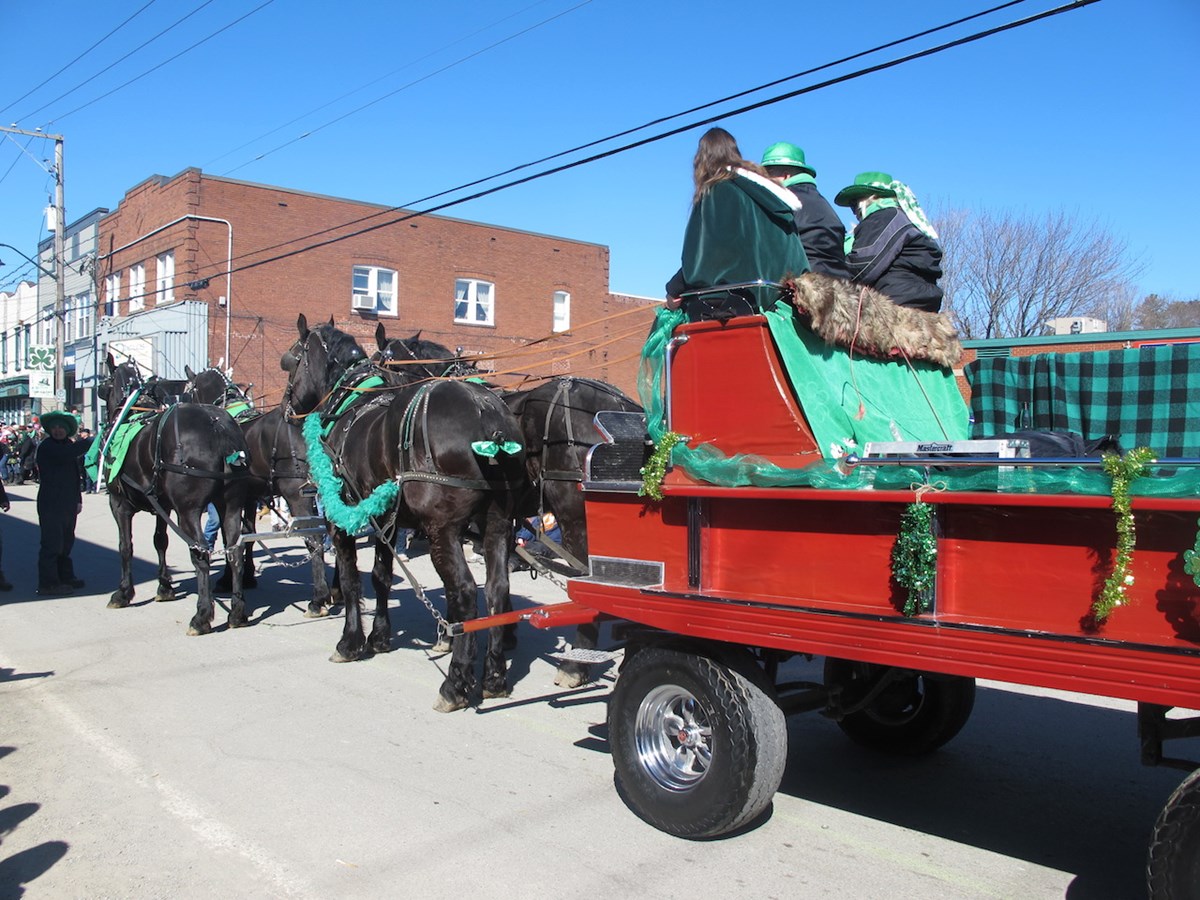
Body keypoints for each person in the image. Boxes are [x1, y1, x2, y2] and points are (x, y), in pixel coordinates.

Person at [665, 127, 809, 313]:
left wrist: (673, 289)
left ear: (701, 161)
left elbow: (703, 256)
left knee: (662, 330)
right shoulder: (767, 194)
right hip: (780, 304)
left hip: (735, 304)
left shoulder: (717, 190)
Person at [833, 171, 944, 313]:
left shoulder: (884, 218)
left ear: (873, 197)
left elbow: (860, 267)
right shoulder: (907, 220)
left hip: (894, 310)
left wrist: (826, 276)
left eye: (855, 203)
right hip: (920, 310)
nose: (854, 211)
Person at [760, 141, 850, 279]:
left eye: (768, 174)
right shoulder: (823, 204)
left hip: (802, 287)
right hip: (838, 288)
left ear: (785, 176)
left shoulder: (782, 202)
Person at [35, 410, 92, 596]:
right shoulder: (48, 446)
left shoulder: (67, 444)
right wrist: (92, 441)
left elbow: (75, 477)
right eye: (54, 427)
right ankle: (48, 583)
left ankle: (65, 576)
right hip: (51, 503)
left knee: (66, 542)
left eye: (61, 427)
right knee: (52, 544)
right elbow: (67, 454)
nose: (58, 430)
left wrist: (78, 500)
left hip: (68, 502)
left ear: (68, 429)